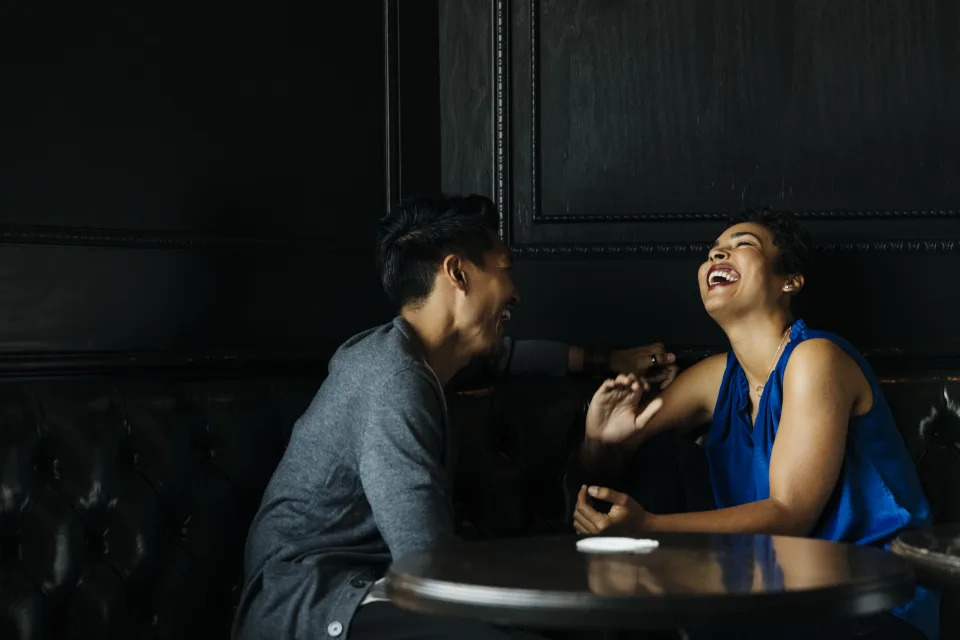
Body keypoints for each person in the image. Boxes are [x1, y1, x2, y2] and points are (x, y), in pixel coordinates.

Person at [231, 193, 674, 640]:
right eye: (506, 269)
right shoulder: (393, 380)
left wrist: (608, 359)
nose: (516, 292)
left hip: (382, 585)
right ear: (458, 273)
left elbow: (507, 355)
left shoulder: (423, 353)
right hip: (315, 600)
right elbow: (424, 557)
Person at [572, 209, 938, 640]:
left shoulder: (814, 359)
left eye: (743, 243)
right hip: (771, 593)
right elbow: (611, 465)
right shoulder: (717, 377)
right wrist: (601, 441)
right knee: (660, 456)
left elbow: (790, 514)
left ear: (790, 281)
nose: (717, 253)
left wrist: (647, 528)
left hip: (868, 600)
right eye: (712, 251)